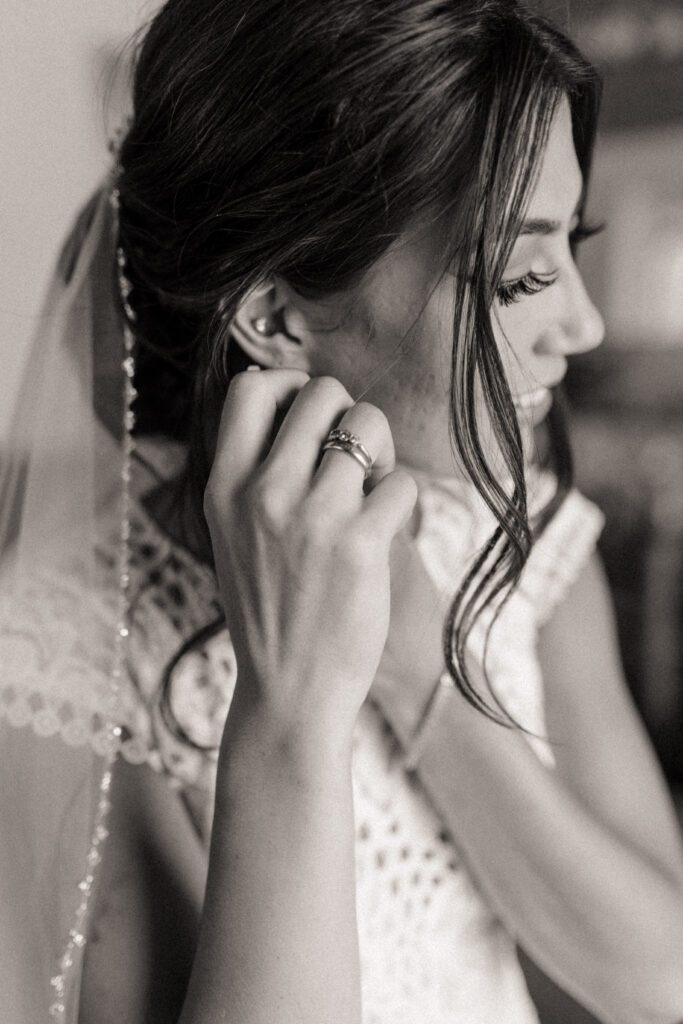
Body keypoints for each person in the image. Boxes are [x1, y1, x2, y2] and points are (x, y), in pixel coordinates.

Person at [1, 1, 682, 1022]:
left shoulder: (521, 541)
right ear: (277, 317)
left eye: (569, 248)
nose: (580, 325)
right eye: (523, 275)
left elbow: (658, 983)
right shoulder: (64, 670)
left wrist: (415, 655)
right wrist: (293, 710)